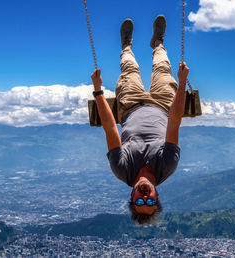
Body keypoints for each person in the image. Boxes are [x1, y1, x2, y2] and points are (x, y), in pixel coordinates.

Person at [90, 15, 189, 225]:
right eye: (149, 201)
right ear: (157, 197)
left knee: (130, 70)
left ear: (132, 198)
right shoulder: (167, 165)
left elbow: (110, 130)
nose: (145, 195)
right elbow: (174, 122)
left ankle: (126, 46)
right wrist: (181, 85)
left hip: (130, 107)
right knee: (163, 69)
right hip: (162, 105)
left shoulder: (122, 169)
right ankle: (158, 44)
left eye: (140, 201)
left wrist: (98, 91)